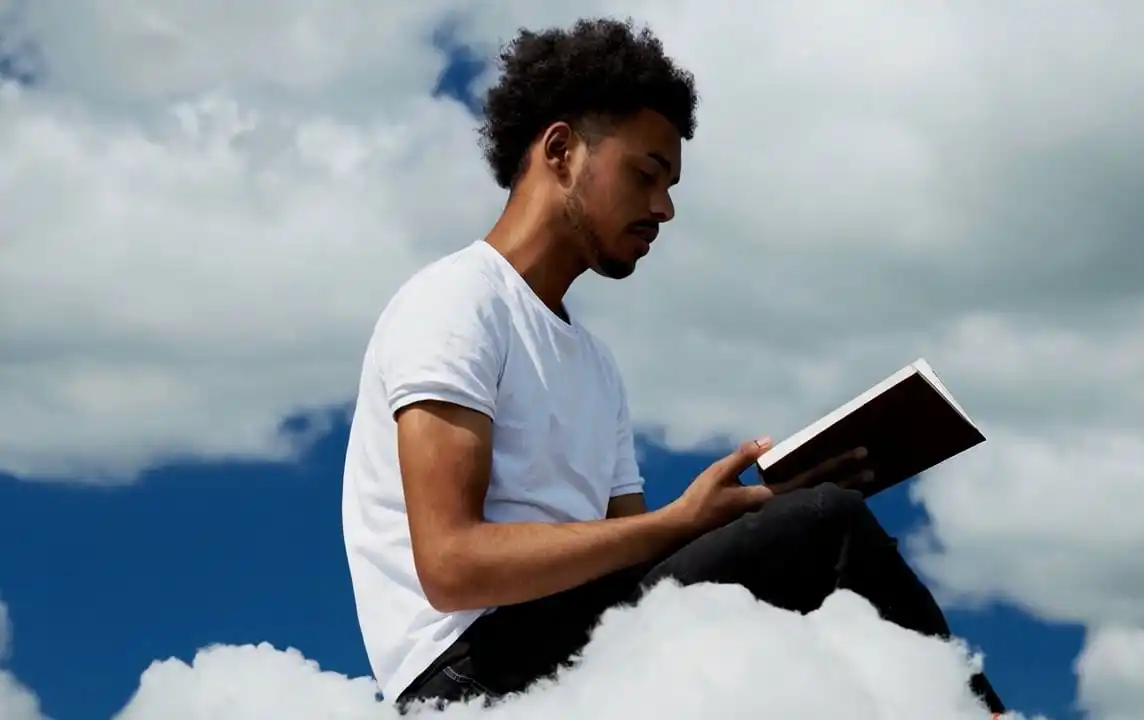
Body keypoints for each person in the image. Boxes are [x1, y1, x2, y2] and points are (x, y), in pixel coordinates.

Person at [340, 17, 1006, 717]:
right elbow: (452, 567)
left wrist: (744, 520)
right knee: (828, 526)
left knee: (794, 595)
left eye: (670, 184)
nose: (664, 207)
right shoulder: (456, 301)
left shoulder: (595, 365)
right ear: (561, 150)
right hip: (464, 677)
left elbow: (640, 568)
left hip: (564, 640)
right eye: (646, 174)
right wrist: (694, 523)